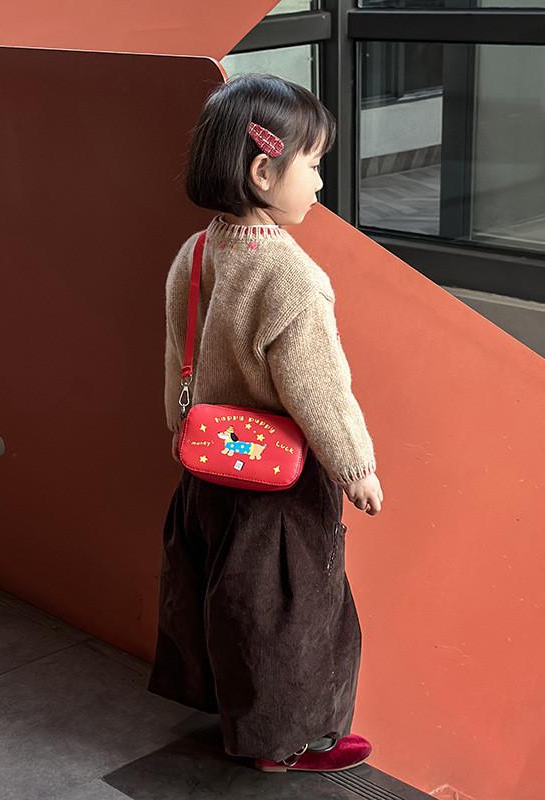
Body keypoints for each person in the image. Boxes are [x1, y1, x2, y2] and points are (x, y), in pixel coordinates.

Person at [147, 73, 384, 774]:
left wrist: (178, 426)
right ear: (262, 170)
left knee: (229, 605)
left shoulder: (194, 256)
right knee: (295, 618)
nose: (317, 183)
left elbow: (177, 358)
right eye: (311, 165)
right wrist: (355, 468)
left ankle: (240, 723)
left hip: (208, 470)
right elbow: (319, 390)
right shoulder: (291, 276)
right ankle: (280, 748)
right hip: (279, 487)